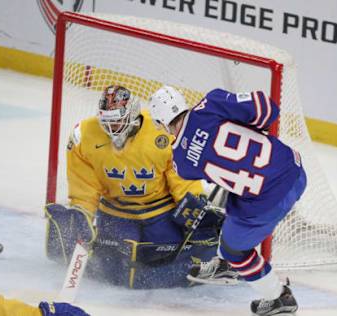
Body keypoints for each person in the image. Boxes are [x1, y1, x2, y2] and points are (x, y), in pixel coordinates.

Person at [45, 85, 238, 289]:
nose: (112, 126)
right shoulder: (83, 136)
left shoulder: (160, 131)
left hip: (161, 212)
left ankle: (232, 260)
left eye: (117, 119)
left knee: (172, 254)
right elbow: (85, 185)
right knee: (117, 268)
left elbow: (180, 175)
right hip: (116, 213)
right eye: (107, 119)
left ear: (132, 113)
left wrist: (194, 202)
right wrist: (82, 212)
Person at [149, 86, 306, 315]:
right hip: (292, 167)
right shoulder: (212, 102)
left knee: (236, 250)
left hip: (268, 201)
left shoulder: (182, 163)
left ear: (162, 122)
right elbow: (267, 108)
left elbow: (205, 160)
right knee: (233, 204)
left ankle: (279, 297)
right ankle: (224, 264)